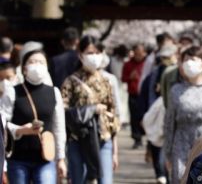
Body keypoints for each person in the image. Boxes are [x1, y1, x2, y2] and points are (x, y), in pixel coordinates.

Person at [60, 35, 120, 184]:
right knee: (79, 180)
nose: (94, 57)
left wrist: (115, 152)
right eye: (89, 53)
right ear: (80, 54)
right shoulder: (71, 81)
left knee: (105, 180)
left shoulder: (107, 81)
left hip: (103, 138)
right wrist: (92, 109)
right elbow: (63, 112)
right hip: (78, 138)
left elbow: (113, 117)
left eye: (97, 52)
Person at [163, 46, 202, 184]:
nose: (189, 63)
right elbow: (169, 122)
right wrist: (167, 154)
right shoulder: (176, 90)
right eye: (185, 60)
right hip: (182, 146)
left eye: (193, 59)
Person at [6, 49, 66, 183]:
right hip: (18, 158)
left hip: (45, 158)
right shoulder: (13, 91)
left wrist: (61, 159)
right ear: (24, 68)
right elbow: (2, 122)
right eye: (32, 62)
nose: (36, 65)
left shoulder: (54, 92)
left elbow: (59, 127)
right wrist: (20, 130)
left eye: (40, 62)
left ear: (46, 67)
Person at [139, 43, 178, 184]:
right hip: (155, 115)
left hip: (172, 116)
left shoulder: (179, 73)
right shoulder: (153, 76)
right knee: (156, 143)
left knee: (167, 147)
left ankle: (164, 174)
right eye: (165, 57)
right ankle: (160, 173)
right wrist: (143, 115)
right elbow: (144, 94)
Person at [122, 43, 147, 149]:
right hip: (133, 94)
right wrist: (130, 77)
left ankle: (145, 137)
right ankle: (137, 138)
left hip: (144, 95)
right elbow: (123, 78)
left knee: (144, 116)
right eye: (136, 54)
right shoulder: (128, 64)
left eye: (140, 54)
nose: (138, 56)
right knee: (134, 117)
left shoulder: (147, 64)